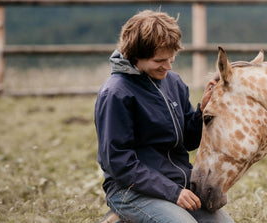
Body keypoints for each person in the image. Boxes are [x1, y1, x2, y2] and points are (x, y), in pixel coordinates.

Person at [94, 9, 233, 223]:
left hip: (176, 184)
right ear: (135, 55)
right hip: (129, 190)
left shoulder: (173, 82)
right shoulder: (116, 94)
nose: (168, 66)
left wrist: (202, 110)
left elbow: (188, 141)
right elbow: (118, 162)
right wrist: (173, 193)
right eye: (160, 60)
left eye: (171, 58)